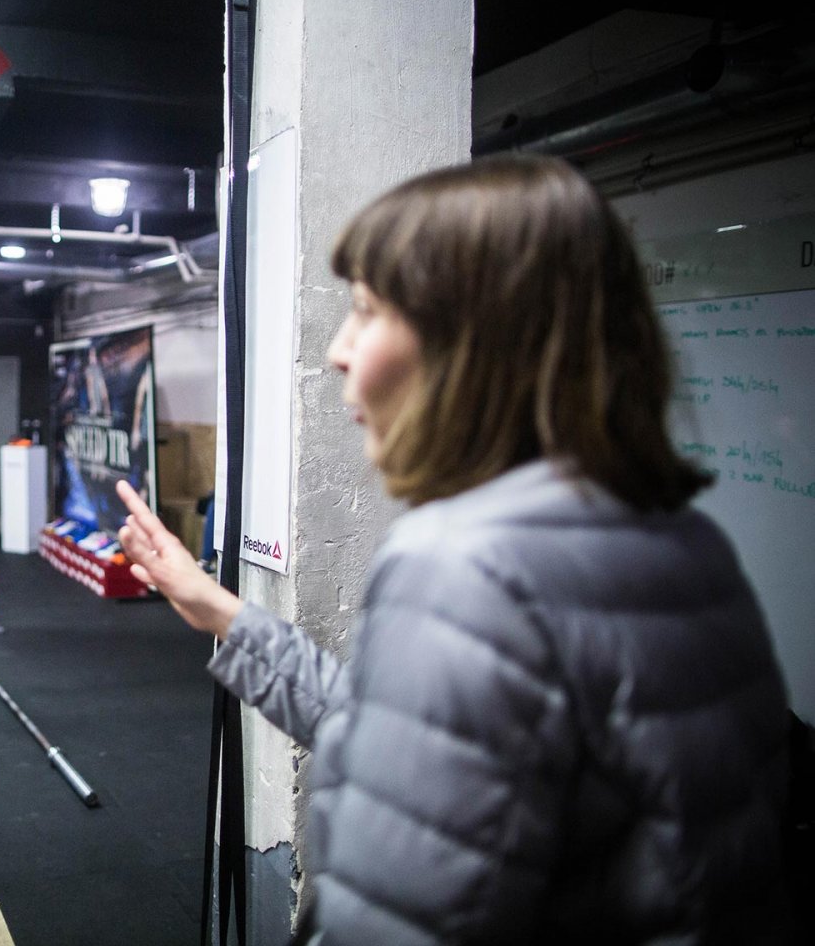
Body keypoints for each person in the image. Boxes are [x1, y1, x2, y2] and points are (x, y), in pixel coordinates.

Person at [116, 155, 792, 943]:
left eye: (367, 311)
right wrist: (219, 610)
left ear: (472, 342)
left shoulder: (465, 566)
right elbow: (420, 758)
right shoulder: (683, 542)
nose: (339, 349)